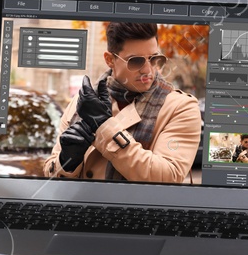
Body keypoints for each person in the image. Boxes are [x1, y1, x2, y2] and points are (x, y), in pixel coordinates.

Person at [44, 21, 202, 183]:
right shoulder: (83, 101)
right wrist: (68, 161)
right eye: (135, 61)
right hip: (81, 205)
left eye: (154, 58)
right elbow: (51, 176)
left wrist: (105, 127)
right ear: (110, 60)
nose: (148, 70)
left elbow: (168, 177)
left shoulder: (181, 107)